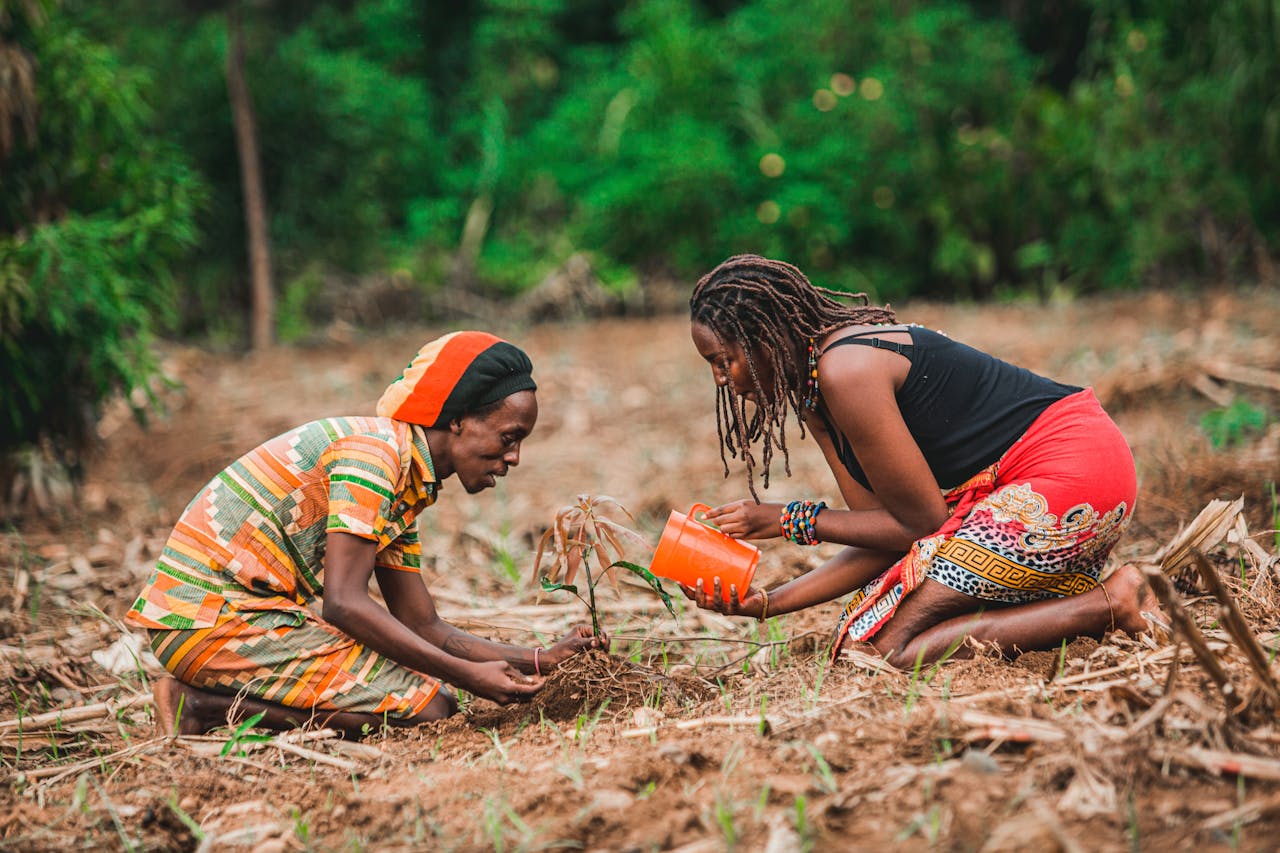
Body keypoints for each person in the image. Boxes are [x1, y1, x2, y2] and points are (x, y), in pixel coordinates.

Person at [681, 254, 1155, 667]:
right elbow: (884, 536)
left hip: (1073, 471)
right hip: (1052, 479)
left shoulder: (844, 370)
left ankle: (1110, 604)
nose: (721, 379)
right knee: (864, 625)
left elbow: (920, 524)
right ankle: (1077, 601)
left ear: (764, 336)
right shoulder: (814, 394)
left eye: (724, 360)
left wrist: (789, 520)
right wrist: (765, 603)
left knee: (880, 647)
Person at [126, 331, 606, 737]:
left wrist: (540, 658)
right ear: (457, 419)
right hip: (209, 619)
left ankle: (206, 704)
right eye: (508, 437)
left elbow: (422, 625)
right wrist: (468, 675)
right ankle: (201, 707)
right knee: (431, 707)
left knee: (425, 688)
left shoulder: (406, 479)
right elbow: (343, 603)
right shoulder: (375, 459)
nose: (515, 458)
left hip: (224, 617)